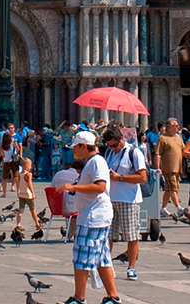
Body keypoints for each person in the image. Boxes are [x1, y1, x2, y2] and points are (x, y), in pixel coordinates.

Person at [63, 130, 120, 304]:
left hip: (93, 217)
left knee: (82, 258)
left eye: (75, 147)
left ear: (83, 146)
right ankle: (113, 297)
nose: (74, 150)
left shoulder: (97, 162)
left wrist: (74, 188)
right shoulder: (91, 162)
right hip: (93, 215)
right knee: (102, 258)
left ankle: (79, 298)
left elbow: (100, 186)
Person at [102, 124, 147, 281]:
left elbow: (142, 177)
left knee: (131, 235)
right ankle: (107, 266)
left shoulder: (134, 152)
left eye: (114, 144)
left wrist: (120, 177)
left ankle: (131, 267)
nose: (113, 148)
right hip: (110, 198)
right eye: (109, 145)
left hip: (129, 199)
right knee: (108, 234)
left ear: (121, 139)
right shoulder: (109, 152)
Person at [13, 153, 42, 234]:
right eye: (30, 166)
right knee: (32, 210)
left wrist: (18, 191)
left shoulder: (19, 174)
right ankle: (37, 224)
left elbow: (17, 183)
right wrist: (33, 193)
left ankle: (18, 224)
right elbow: (30, 184)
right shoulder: (28, 174)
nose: (31, 167)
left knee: (20, 211)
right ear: (26, 166)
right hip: (28, 195)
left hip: (21, 194)